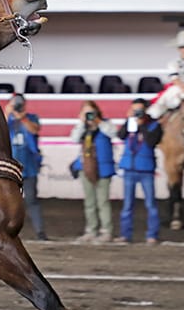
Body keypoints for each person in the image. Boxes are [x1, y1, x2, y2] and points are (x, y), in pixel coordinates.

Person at [116, 98, 163, 245]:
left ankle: (152, 235)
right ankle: (125, 235)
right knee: (127, 205)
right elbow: (121, 135)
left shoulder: (155, 125)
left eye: (139, 110)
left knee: (150, 204)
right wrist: (128, 120)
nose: (137, 113)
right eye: (134, 109)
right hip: (129, 168)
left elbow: (151, 142)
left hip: (146, 169)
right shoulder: (130, 124)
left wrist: (142, 126)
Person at [69, 100, 117, 243]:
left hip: (103, 168)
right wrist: (82, 123)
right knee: (89, 201)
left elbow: (113, 133)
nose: (89, 115)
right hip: (86, 166)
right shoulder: (82, 127)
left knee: (103, 201)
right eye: (86, 112)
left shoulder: (105, 124)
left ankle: (106, 231)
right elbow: (74, 138)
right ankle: (91, 230)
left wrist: (98, 122)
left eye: (91, 112)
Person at [5, 93, 47, 241]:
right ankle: (9, 231)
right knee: (9, 202)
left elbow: (34, 130)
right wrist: (7, 112)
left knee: (32, 201)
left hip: (29, 167)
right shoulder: (7, 120)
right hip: (10, 168)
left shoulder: (31, 118)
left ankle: (40, 231)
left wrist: (22, 117)